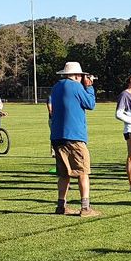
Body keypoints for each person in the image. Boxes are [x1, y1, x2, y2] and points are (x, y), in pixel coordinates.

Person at [48, 62, 99, 216]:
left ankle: (61, 205)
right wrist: (89, 87)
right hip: (74, 136)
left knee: (64, 174)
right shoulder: (76, 86)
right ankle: (85, 207)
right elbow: (90, 104)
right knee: (83, 172)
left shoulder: (56, 87)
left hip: (57, 136)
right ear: (77, 75)